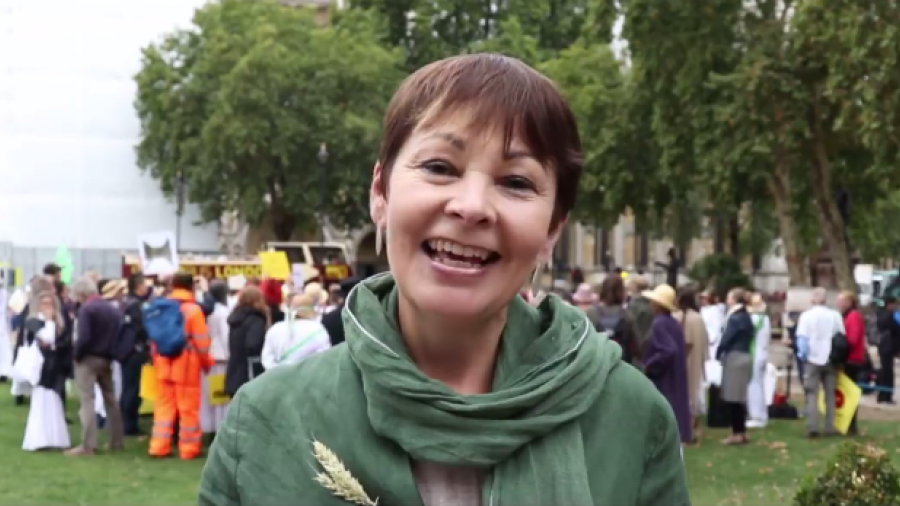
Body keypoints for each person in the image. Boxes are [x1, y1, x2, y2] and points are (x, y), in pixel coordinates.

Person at [200, 54, 689, 506]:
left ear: (552, 229)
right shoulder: (266, 419)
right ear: (381, 193)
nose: (472, 206)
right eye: (439, 167)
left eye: (516, 182)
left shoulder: (631, 417)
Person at [148, 272, 213, 460]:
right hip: (186, 363)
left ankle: (159, 447)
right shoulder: (193, 310)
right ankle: (189, 448)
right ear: (191, 287)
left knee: (163, 406)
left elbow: (154, 338)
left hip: (163, 361)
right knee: (188, 408)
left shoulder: (161, 307)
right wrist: (206, 363)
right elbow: (201, 341)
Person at [66, 277, 124, 457]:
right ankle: (116, 440)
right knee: (111, 400)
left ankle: (87, 445)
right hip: (107, 358)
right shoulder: (112, 309)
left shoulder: (87, 309)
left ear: (82, 294)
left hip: (88, 358)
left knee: (87, 400)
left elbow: (84, 337)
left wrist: (76, 356)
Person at [642, 284, 693, 445]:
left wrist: (650, 365)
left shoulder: (659, 324)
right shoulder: (674, 323)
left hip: (664, 375)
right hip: (675, 372)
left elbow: (669, 350)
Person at [21, 290, 71, 451]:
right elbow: (47, 338)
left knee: (55, 400)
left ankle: (55, 439)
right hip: (41, 367)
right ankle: (39, 439)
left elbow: (62, 341)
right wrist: (49, 321)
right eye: (44, 304)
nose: (47, 307)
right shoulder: (34, 321)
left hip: (55, 365)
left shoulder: (60, 322)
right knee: (42, 400)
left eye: (50, 304)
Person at [796, 287, 844, 436]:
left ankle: (813, 426)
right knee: (830, 394)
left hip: (812, 358)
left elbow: (802, 339)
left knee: (811, 393)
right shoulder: (835, 315)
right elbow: (841, 337)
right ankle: (830, 426)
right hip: (830, 357)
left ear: (813, 299)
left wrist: (802, 356)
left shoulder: (806, 316)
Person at [716, 288, 755, 445]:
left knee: (733, 397)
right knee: (740, 397)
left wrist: (719, 351)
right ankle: (742, 431)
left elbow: (727, 337)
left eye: (729, 297)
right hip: (745, 355)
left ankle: (737, 433)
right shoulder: (746, 316)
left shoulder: (734, 318)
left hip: (735, 356)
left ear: (734, 299)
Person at [261, 292, 330, 370]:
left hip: (278, 378)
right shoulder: (318, 329)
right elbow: (324, 358)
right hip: (308, 378)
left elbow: (267, 359)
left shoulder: (274, 329)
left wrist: (278, 373)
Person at [120, 273, 152, 437]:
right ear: (139, 286)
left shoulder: (126, 302)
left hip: (126, 351)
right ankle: (129, 425)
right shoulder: (136, 306)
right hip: (134, 351)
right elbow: (140, 328)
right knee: (132, 389)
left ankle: (126, 422)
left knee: (128, 387)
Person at [673, 286, 709, 436]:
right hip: (694, 357)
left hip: (681, 358)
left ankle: (686, 422)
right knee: (693, 388)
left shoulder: (676, 317)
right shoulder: (697, 318)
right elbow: (705, 340)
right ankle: (692, 420)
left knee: (683, 389)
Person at [224, 286, 269, 397]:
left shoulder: (235, 319)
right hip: (250, 373)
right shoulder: (256, 319)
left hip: (233, 371)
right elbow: (253, 344)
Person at [201, 280, 231, 433]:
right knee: (220, 396)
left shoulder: (208, 311)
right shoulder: (223, 312)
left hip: (209, 355)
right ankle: (220, 427)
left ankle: (210, 426)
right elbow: (226, 336)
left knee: (209, 395)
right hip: (221, 358)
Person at [588, 276, 637, 365]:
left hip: (597, 365)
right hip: (621, 364)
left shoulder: (591, 313)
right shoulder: (628, 315)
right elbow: (635, 346)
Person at [836, 290, 865, 433]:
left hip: (852, 359)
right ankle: (846, 423)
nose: (838, 304)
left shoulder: (853, 316)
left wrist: (840, 342)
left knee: (849, 392)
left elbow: (852, 339)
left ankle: (850, 425)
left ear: (848, 302)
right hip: (849, 357)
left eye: (840, 301)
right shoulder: (847, 315)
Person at [745, 293, 771, 429]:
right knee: (759, 385)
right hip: (762, 353)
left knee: (754, 386)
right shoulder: (765, 318)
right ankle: (762, 414)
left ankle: (756, 416)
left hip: (754, 354)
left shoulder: (754, 319)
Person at [875, 296, 899, 405]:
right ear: (890, 304)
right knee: (888, 373)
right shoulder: (890, 316)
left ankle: (882, 395)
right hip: (889, 347)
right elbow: (897, 330)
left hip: (882, 346)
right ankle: (887, 396)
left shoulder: (880, 315)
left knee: (884, 371)